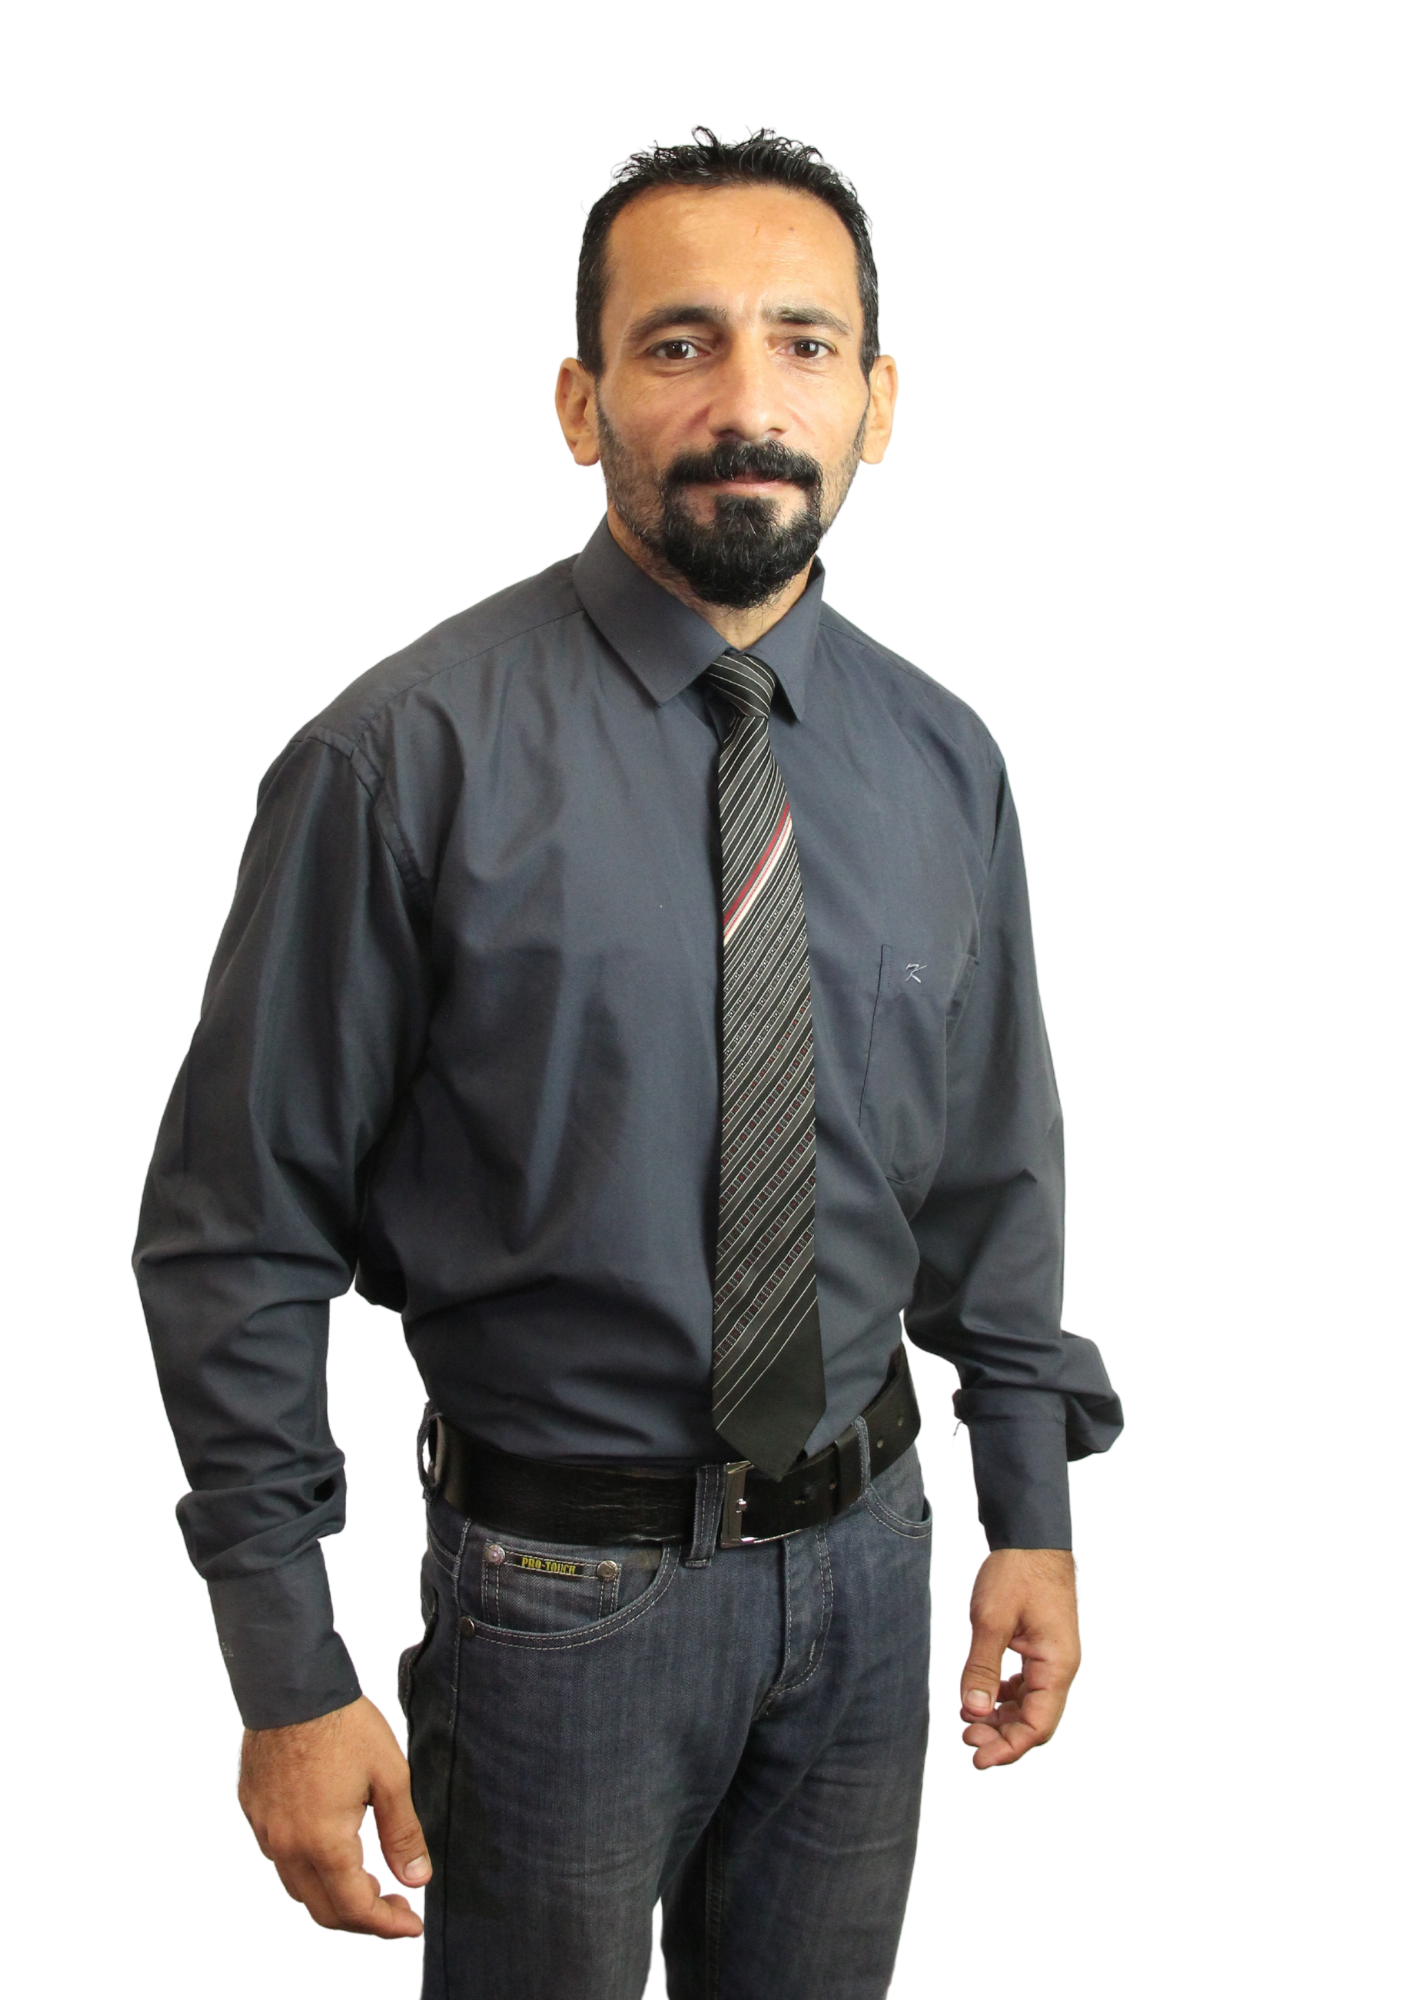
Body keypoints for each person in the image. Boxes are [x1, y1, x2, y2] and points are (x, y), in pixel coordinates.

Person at [135, 128, 1122, 2000]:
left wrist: (1033, 1507)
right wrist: (285, 1668)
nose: (749, 401)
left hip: (873, 1572)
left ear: (879, 402)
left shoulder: (944, 762)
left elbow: (995, 1171)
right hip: (555, 1607)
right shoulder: (398, 762)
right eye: (680, 344)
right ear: (582, 403)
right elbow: (233, 1236)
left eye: (804, 345)